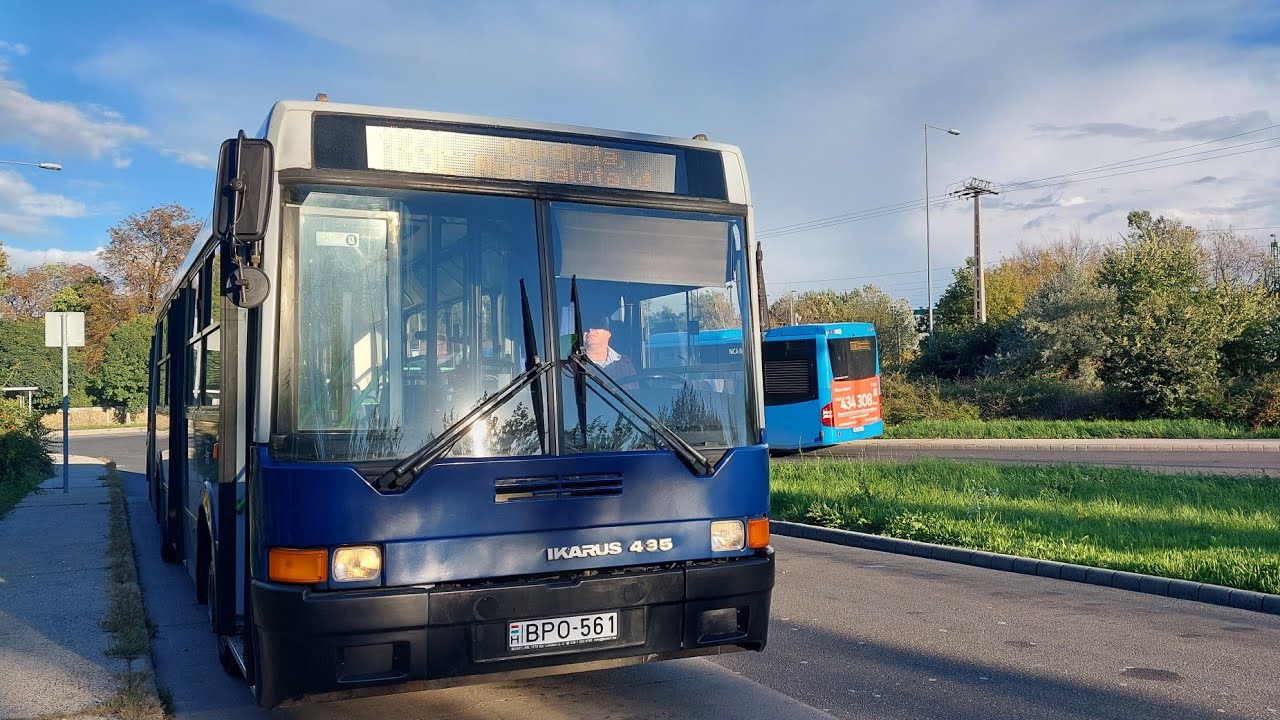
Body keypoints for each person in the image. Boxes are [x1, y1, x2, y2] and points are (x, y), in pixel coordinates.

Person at [582, 313, 636, 379]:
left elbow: (635, 389)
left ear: (609, 333)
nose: (590, 329)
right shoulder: (571, 367)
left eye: (597, 325)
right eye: (585, 327)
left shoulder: (625, 364)